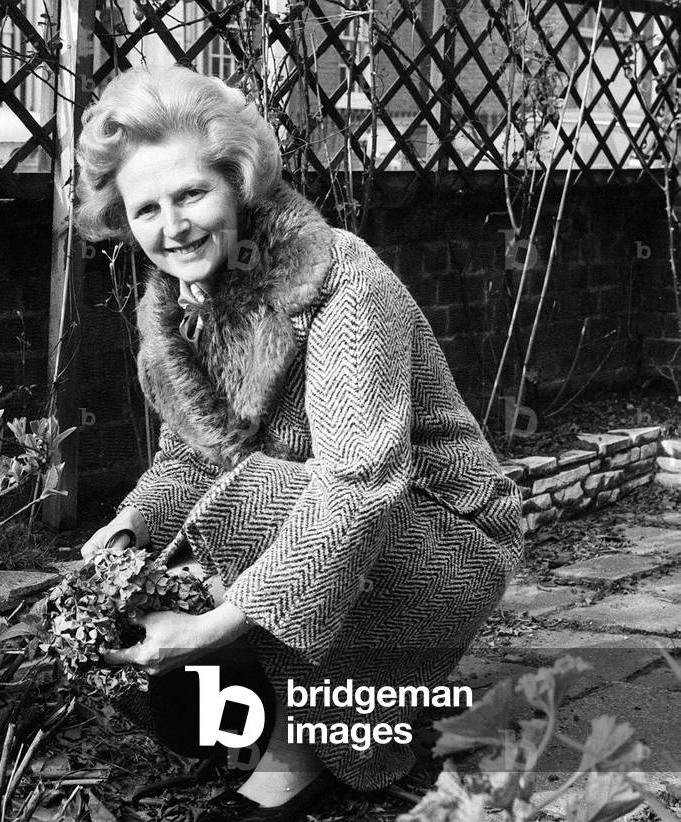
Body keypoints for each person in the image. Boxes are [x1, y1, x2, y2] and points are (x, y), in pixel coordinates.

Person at [73, 65, 524, 821]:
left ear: (238, 181)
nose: (172, 227)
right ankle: (337, 693)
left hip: (441, 537)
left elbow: (360, 482)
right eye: (145, 208)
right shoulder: (183, 308)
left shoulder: (340, 278)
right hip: (302, 518)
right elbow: (188, 458)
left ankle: (299, 758)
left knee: (258, 498)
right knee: (156, 682)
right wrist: (126, 529)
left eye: (190, 195)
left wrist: (213, 626)